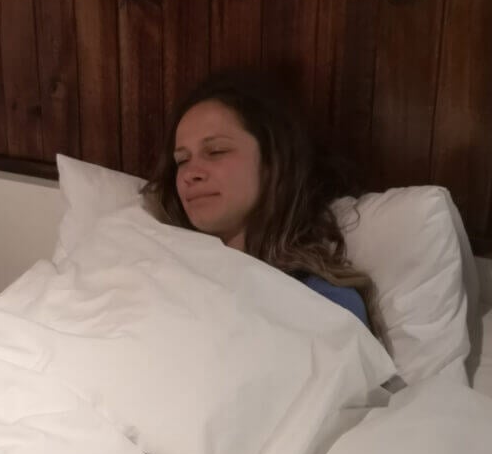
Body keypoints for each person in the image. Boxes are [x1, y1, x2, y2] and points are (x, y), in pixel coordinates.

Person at [142, 69, 383, 337]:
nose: (190, 173)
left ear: (272, 163)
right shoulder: (158, 271)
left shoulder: (325, 302)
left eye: (216, 151)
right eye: (182, 160)